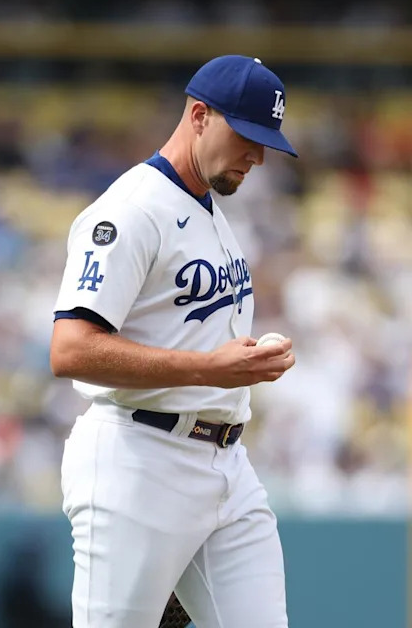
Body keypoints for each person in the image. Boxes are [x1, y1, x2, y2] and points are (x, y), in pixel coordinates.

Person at [49, 55, 298, 628]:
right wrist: (209, 368)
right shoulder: (131, 210)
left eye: (267, 142)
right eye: (247, 136)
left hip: (226, 464)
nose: (257, 156)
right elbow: (71, 349)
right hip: (139, 460)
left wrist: (243, 363)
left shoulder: (208, 210)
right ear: (200, 115)